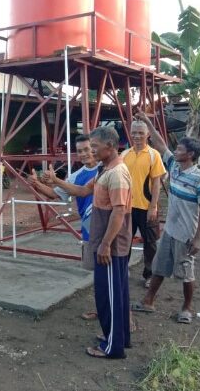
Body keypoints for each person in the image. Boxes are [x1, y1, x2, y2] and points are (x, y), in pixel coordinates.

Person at [132, 110, 200, 325]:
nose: (175, 151)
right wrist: (148, 120)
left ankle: (187, 308)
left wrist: (198, 239)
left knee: (186, 273)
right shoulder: (174, 168)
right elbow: (160, 143)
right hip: (170, 231)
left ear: (191, 155)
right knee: (159, 267)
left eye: (180, 149)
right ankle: (148, 302)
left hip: (185, 234)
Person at [82, 126, 133, 359]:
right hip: (108, 244)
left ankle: (113, 348)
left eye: (95, 147)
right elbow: (83, 190)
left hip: (111, 247)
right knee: (116, 295)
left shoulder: (117, 173)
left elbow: (119, 212)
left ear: (110, 146)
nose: (92, 151)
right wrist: (55, 182)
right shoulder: (104, 169)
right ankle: (119, 338)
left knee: (109, 297)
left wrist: (104, 244)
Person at [28, 134, 99, 268]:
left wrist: (56, 180)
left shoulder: (106, 168)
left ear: (94, 148)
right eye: (79, 151)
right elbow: (54, 193)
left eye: (86, 149)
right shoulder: (75, 177)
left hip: (108, 228)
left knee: (112, 269)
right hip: (89, 229)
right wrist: (36, 183)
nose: (83, 154)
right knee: (91, 268)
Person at [121, 120, 166, 288]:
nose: (137, 136)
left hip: (146, 207)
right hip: (126, 208)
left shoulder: (154, 155)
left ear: (147, 134)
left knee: (150, 243)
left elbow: (156, 183)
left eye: (140, 132)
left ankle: (149, 275)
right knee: (124, 240)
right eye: (134, 132)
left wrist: (153, 207)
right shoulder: (124, 155)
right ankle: (122, 269)